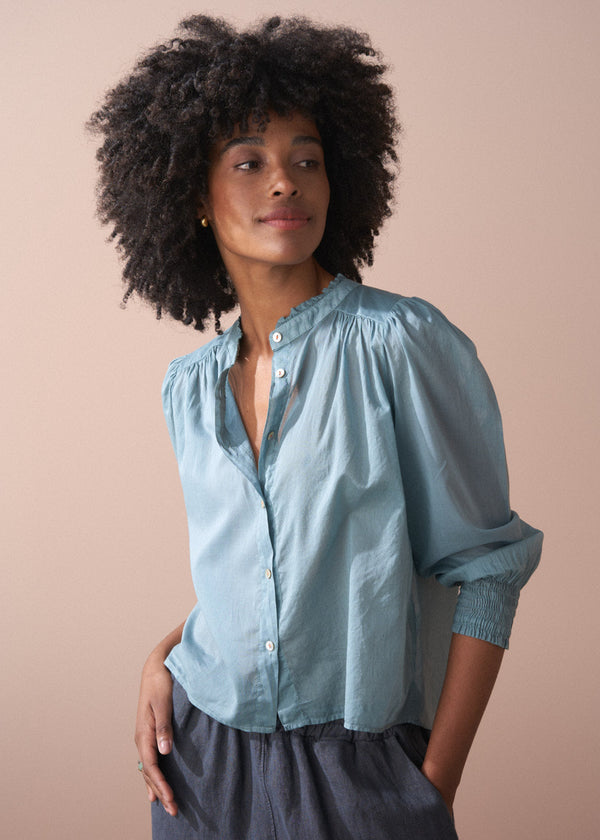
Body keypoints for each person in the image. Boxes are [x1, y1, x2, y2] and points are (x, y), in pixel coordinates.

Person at [88, 15, 543, 840]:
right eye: (250, 161)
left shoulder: (398, 344)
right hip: (200, 768)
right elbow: (252, 589)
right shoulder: (188, 391)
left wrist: (431, 786)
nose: (284, 182)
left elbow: (490, 568)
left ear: (340, 184)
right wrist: (162, 658)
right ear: (194, 195)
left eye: (307, 159)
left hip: (358, 773)